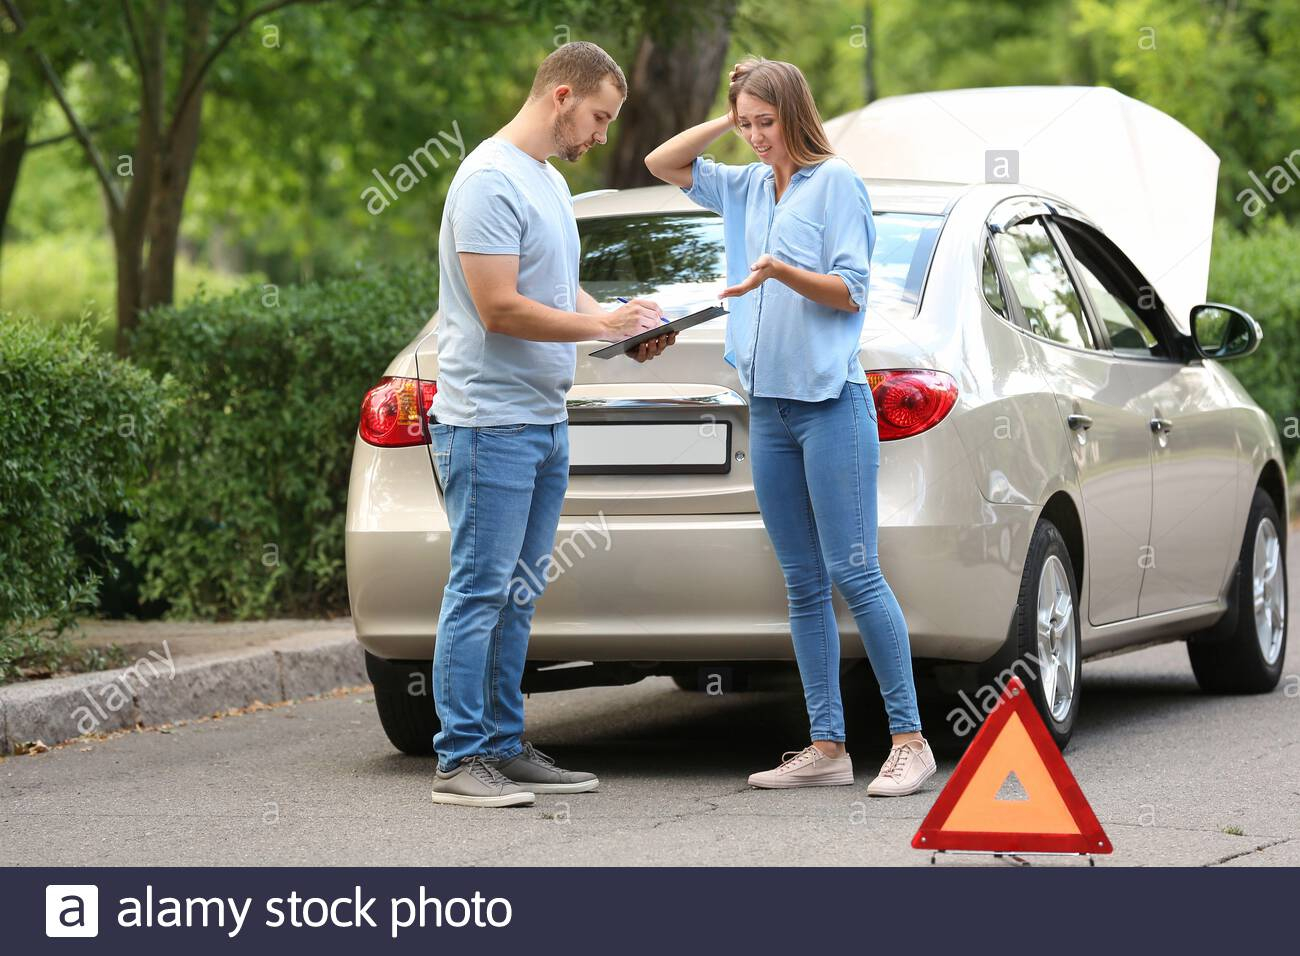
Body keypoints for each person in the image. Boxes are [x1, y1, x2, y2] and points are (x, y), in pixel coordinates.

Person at [645, 57, 935, 796]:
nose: (753, 137)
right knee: (802, 583)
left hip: (830, 404)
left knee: (854, 572)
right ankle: (827, 748)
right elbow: (662, 161)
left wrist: (780, 271)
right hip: (767, 410)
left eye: (765, 123)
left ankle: (910, 740)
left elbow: (850, 293)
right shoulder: (743, 184)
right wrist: (730, 107)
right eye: (744, 125)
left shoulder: (835, 184)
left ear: (795, 116)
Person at [429, 41, 676, 808]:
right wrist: (596, 330)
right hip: (487, 422)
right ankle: (458, 760)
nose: (602, 134)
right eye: (599, 116)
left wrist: (619, 324)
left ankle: (503, 744)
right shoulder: (487, 181)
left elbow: (559, 294)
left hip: (541, 417)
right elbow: (499, 308)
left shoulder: (546, 183)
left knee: (517, 593)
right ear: (562, 96)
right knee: (479, 590)